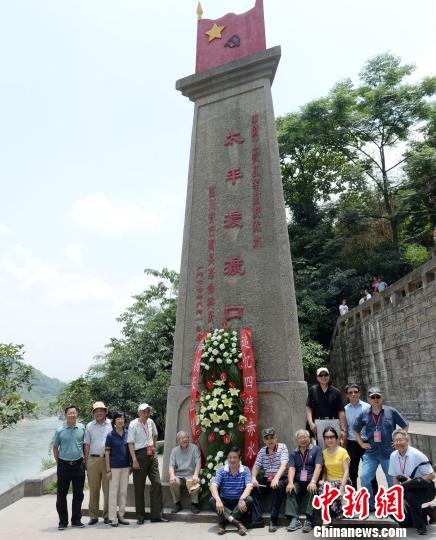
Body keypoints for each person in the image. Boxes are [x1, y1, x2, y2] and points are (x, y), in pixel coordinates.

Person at [353, 387, 409, 512]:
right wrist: (361, 443)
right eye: (373, 397)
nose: (375, 399)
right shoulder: (364, 414)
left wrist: (399, 440)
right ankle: (371, 504)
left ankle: (392, 505)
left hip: (389, 453)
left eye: (378, 396)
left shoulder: (391, 411)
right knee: (364, 478)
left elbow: (405, 425)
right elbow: (355, 429)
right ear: (368, 399)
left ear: (382, 397)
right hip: (371, 453)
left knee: (391, 480)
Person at [389, 429, 435, 536]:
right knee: (403, 523)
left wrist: (413, 482)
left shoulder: (417, 455)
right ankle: (428, 511)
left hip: (425, 489)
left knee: (411, 494)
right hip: (407, 490)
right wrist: (400, 498)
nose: (398, 443)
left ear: (407, 440)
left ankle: (421, 526)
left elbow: (432, 476)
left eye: (400, 440)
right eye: (396, 441)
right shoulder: (393, 456)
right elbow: (395, 479)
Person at [127, 403, 167, 524]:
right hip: (139, 455)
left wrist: (153, 446)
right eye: (144, 411)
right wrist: (134, 460)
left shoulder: (150, 422)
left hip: (151, 453)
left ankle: (156, 515)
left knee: (157, 483)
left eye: (148, 411)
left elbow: (155, 434)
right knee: (139, 486)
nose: (146, 413)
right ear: (139, 413)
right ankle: (140, 515)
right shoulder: (133, 424)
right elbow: (130, 443)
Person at [52, 405, 86, 530]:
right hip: (63, 465)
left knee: (78, 494)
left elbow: (85, 444)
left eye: (74, 412)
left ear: (77, 414)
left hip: (78, 465)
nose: (72, 414)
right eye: (70, 413)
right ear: (66, 415)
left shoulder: (82, 428)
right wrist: (58, 462)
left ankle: (76, 520)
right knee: (61, 495)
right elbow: (55, 447)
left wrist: (85, 459)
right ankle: (63, 521)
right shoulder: (60, 430)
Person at [251, 427, 289, 532]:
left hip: (281, 477)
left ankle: (273, 520)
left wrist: (276, 478)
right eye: (267, 438)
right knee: (252, 488)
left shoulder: (282, 447)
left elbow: (284, 464)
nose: (269, 440)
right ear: (264, 440)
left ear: (276, 438)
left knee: (276, 487)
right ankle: (257, 519)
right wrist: (253, 478)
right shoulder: (262, 451)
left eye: (271, 437)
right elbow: (256, 467)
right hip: (268, 477)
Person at [209, 446, 253, 536]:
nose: (232, 460)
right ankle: (238, 524)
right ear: (227, 458)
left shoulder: (245, 470)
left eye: (235, 457)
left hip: (238, 503)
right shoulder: (222, 470)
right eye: (230, 457)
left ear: (240, 458)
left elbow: (249, 487)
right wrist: (218, 500)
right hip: (224, 501)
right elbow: (213, 486)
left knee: (249, 500)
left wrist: (241, 499)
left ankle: (223, 522)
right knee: (212, 500)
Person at [285, 429, 323, 533]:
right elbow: (291, 468)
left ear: (309, 438)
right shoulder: (293, 453)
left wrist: (314, 481)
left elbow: (318, 466)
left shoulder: (316, 450)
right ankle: (294, 520)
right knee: (290, 490)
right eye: (300, 438)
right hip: (298, 481)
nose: (303, 440)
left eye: (305, 437)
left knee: (312, 490)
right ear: (297, 440)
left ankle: (309, 520)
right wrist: (290, 483)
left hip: (311, 480)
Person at [344, 383, 378, 494]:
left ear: (359, 393)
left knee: (370, 471)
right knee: (352, 471)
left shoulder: (368, 407)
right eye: (350, 392)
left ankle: (374, 495)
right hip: (352, 443)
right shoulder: (344, 410)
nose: (353, 394)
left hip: (366, 442)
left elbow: (375, 425)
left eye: (355, 392)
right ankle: (353, 495)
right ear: (347, 395)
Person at [84, 401, 112, 525]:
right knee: (93, 489)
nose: (99, 413)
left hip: (108, 460)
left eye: (101, 410)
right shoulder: (89, 426)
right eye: (96, 411)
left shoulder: (111, 424)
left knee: (108, 489)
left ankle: (107, 515)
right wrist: (86, 460)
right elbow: (86, 444)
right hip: (93, 460)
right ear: (93, 413)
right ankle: (93, 516)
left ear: (105, 412)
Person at [306, 367, 346, 449]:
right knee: (322, 447)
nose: (323, 377)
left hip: (334, 421)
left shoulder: (336, 392)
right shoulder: (313, 390)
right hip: (319, 422)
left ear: (329, 376)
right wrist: (311, 423)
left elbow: (341, 411)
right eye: (321, 375)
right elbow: (308, 408)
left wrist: (342, 429)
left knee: (336, 445)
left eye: (325, 375)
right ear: (317, 378)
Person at [105, 412, 131, 527]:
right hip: (114, 468)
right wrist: (108, 470)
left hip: (126, 467)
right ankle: (112, 517)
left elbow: (130, 449)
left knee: (123, 492)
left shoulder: (128, 433)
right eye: (118, 419)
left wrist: (130, 465)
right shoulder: (110, 435)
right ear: (114, 421)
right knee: (113, 492)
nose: (120, 420)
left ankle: (121, 515)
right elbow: (107, 453)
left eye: (122, 419)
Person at [318, 426, 350, 519]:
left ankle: (340, 511)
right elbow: (325, 471)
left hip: (343, 481)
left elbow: (347, 471)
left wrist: (342, 486)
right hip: (329, 481)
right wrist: (323, 480)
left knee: (334, 491)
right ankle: (331, 514)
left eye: (332, 437)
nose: (329, 439)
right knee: (322, 489)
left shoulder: (343, 452)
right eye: (327, 437)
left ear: (336, 438)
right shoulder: (324, 453)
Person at [169, 431, 201, 514]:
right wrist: (172, 476)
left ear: (188, 438)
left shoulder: (194, 448)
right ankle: (177, 504)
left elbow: (198, 462)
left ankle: (194, 504)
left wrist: (196, 475)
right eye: (182, 438)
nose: (184, 439)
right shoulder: (174, 451)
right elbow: (171, 465)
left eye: (186, 437)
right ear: (178, 441)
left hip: (191, 476)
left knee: (196, 482)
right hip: (179, 476)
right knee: (173, 481)